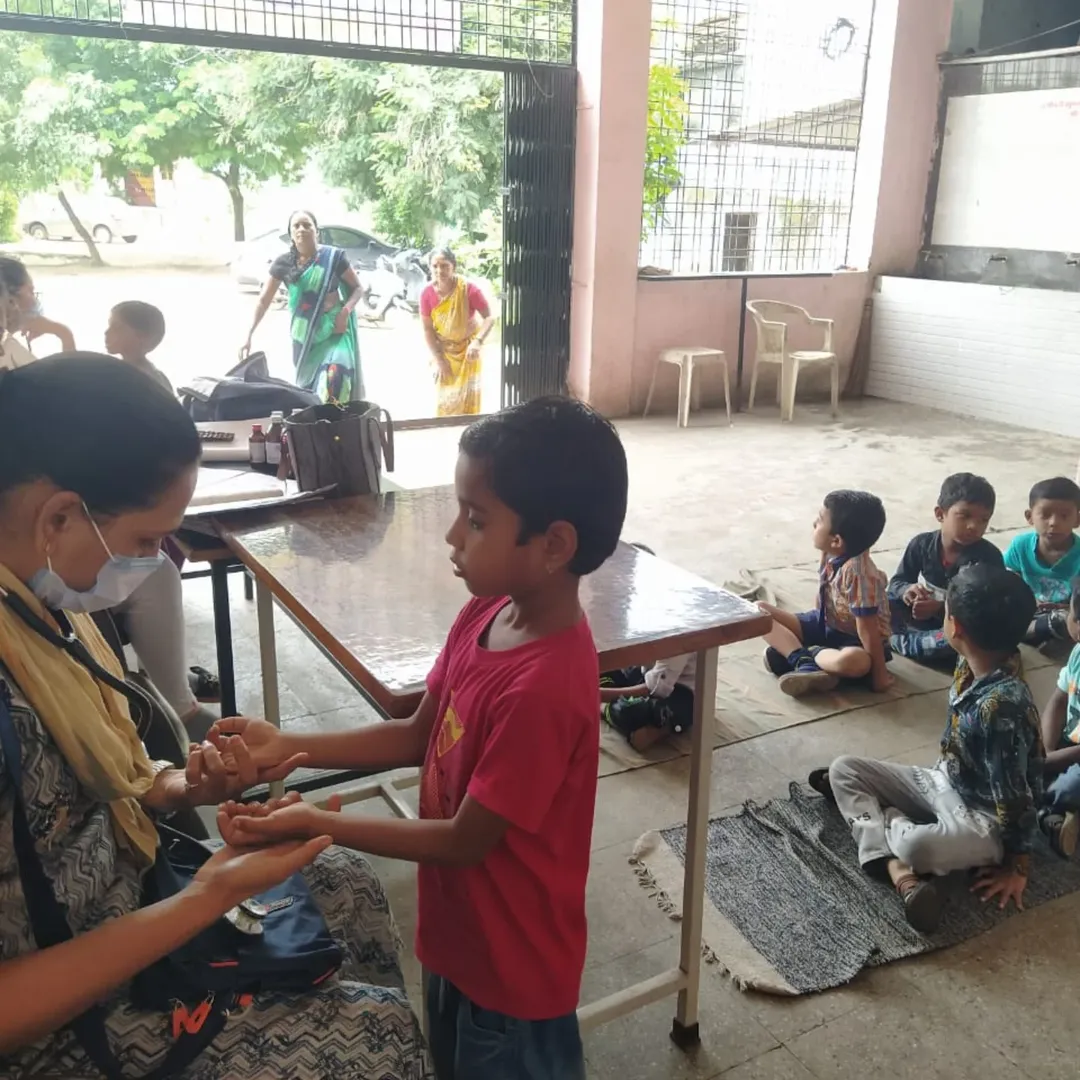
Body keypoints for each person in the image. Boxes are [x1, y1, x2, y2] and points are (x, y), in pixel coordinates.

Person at [0, 354, 432, 1077]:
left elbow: (106, 776)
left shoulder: (38, 602)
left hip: (131, 893)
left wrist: (182, 786)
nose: (152, 563)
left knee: (346, 883)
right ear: (60, 517)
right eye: (146, 541)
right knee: (378, 1035)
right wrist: (207, 897)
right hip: (60, 1011)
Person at [213, 396, 630, 1080]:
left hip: (513, 979)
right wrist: (290, 746)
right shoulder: (485, 613)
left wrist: (319, 823)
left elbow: (465, 841)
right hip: (457, 943)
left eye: (477, 520)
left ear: (554, 545)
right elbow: (416, 736)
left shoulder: (545, 687)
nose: (453, 536)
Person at [809, 564, 1043, 934]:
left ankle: (889, 844)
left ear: (955, 626)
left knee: (917, 848)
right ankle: (891, 846)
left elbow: (1014, 794)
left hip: (983, 817)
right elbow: (914, 642)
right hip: (943, 780)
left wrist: (1018, 865)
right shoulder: (974, 660)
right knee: (844, 768)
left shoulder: (1001, 707)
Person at [759, 490, 892, 697]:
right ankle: (804, 661)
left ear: (836, 540)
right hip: (826, 624)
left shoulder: (860, 574)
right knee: (757, 612)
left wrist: (879, 677)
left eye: (820, 520)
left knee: (854, 662)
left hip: (856, 640)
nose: (814, 523)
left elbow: (867, 629)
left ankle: (804, 653)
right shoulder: (831, 552)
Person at [241, 210, 365, 404]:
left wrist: (345, 311)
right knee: (311, 393)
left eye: (307, 225)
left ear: (317, 232)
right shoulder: (283, 264)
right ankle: (320, 421)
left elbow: (357, 288)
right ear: (291, 234)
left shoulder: (334, 257)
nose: (302, 229)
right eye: (296, 226)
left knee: (335, 377)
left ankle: (337, 421)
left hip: (335, 330)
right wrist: (248, 335)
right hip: (305, 337)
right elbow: (263, 301)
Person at [888, 473, 1002, 663]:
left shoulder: (988, 557)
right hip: (924, 619)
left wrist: (941, 608)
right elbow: (897, 582)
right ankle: (914, 642)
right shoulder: (921, 544)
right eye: (965, 516)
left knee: (971, 638)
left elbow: (988, 609)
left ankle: (899, 641)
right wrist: (907, 591)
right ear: (940, 514)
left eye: (984, 520)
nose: (974, 526)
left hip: (957, 626)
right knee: (881, 601)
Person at [1003, 476, 1080, 645]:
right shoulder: (1021, 545)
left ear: (1077, 519)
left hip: (1068, 617)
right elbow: (1008, 575)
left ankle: (1029, 633)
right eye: (1045, 515)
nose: (1054, 523)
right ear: (1030, 517)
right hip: (1029, 609)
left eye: (1064, 516)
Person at [420, 247, 495, 417]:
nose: (439, 271)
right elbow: (427, 329)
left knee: (469, 401)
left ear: (453, 266)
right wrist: (439, 359)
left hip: (469, 353)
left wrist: (477, 342)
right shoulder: (427, 293)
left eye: (445, 266)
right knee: (446, 402)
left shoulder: (468, 289)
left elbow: (489, 318)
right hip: (445, 353)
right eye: (435, 266)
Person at [1037, 579, 1080, 857]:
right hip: (1069, 744)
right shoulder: (1077, 653)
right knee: (1016, 749)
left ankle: (1046, 812)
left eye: (1070, 613)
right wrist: (1046, 749)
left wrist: (1050, 761)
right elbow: (1058, 700)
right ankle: (1053, 816)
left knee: (1068, 786)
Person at [0, 256, 75, 370]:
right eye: (31, 291)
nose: (35, 300)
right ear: (11, 301)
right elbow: (70, 378)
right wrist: (63, 333)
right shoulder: (9, 348)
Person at [104, 299, 173, 395]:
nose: (106, 332)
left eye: (117, 327)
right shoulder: (116, 371)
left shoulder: (143, 380)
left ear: (142, 336)